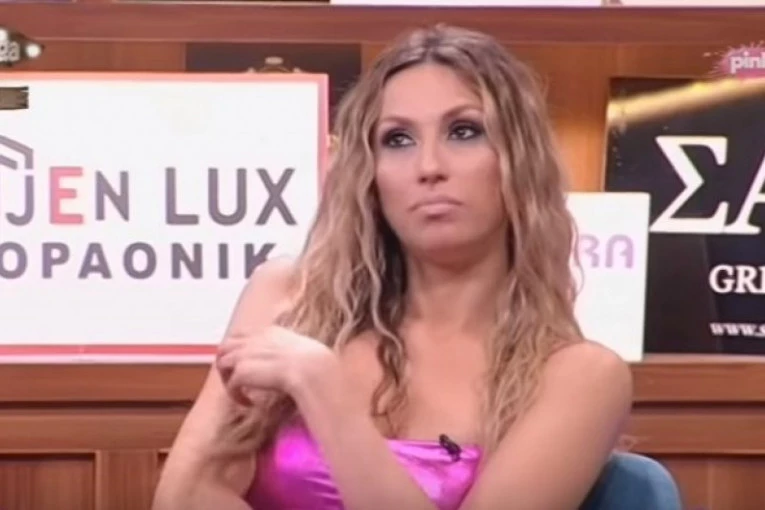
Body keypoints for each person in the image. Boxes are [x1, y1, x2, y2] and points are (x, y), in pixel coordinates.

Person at [152, 23, 633, 510]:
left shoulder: (580, 377)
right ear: (369, 174)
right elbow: (183, 498)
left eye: (464, 132)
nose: (429, 166)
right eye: (398, 139)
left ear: (520, 160)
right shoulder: (288, 300)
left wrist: (323, 390)